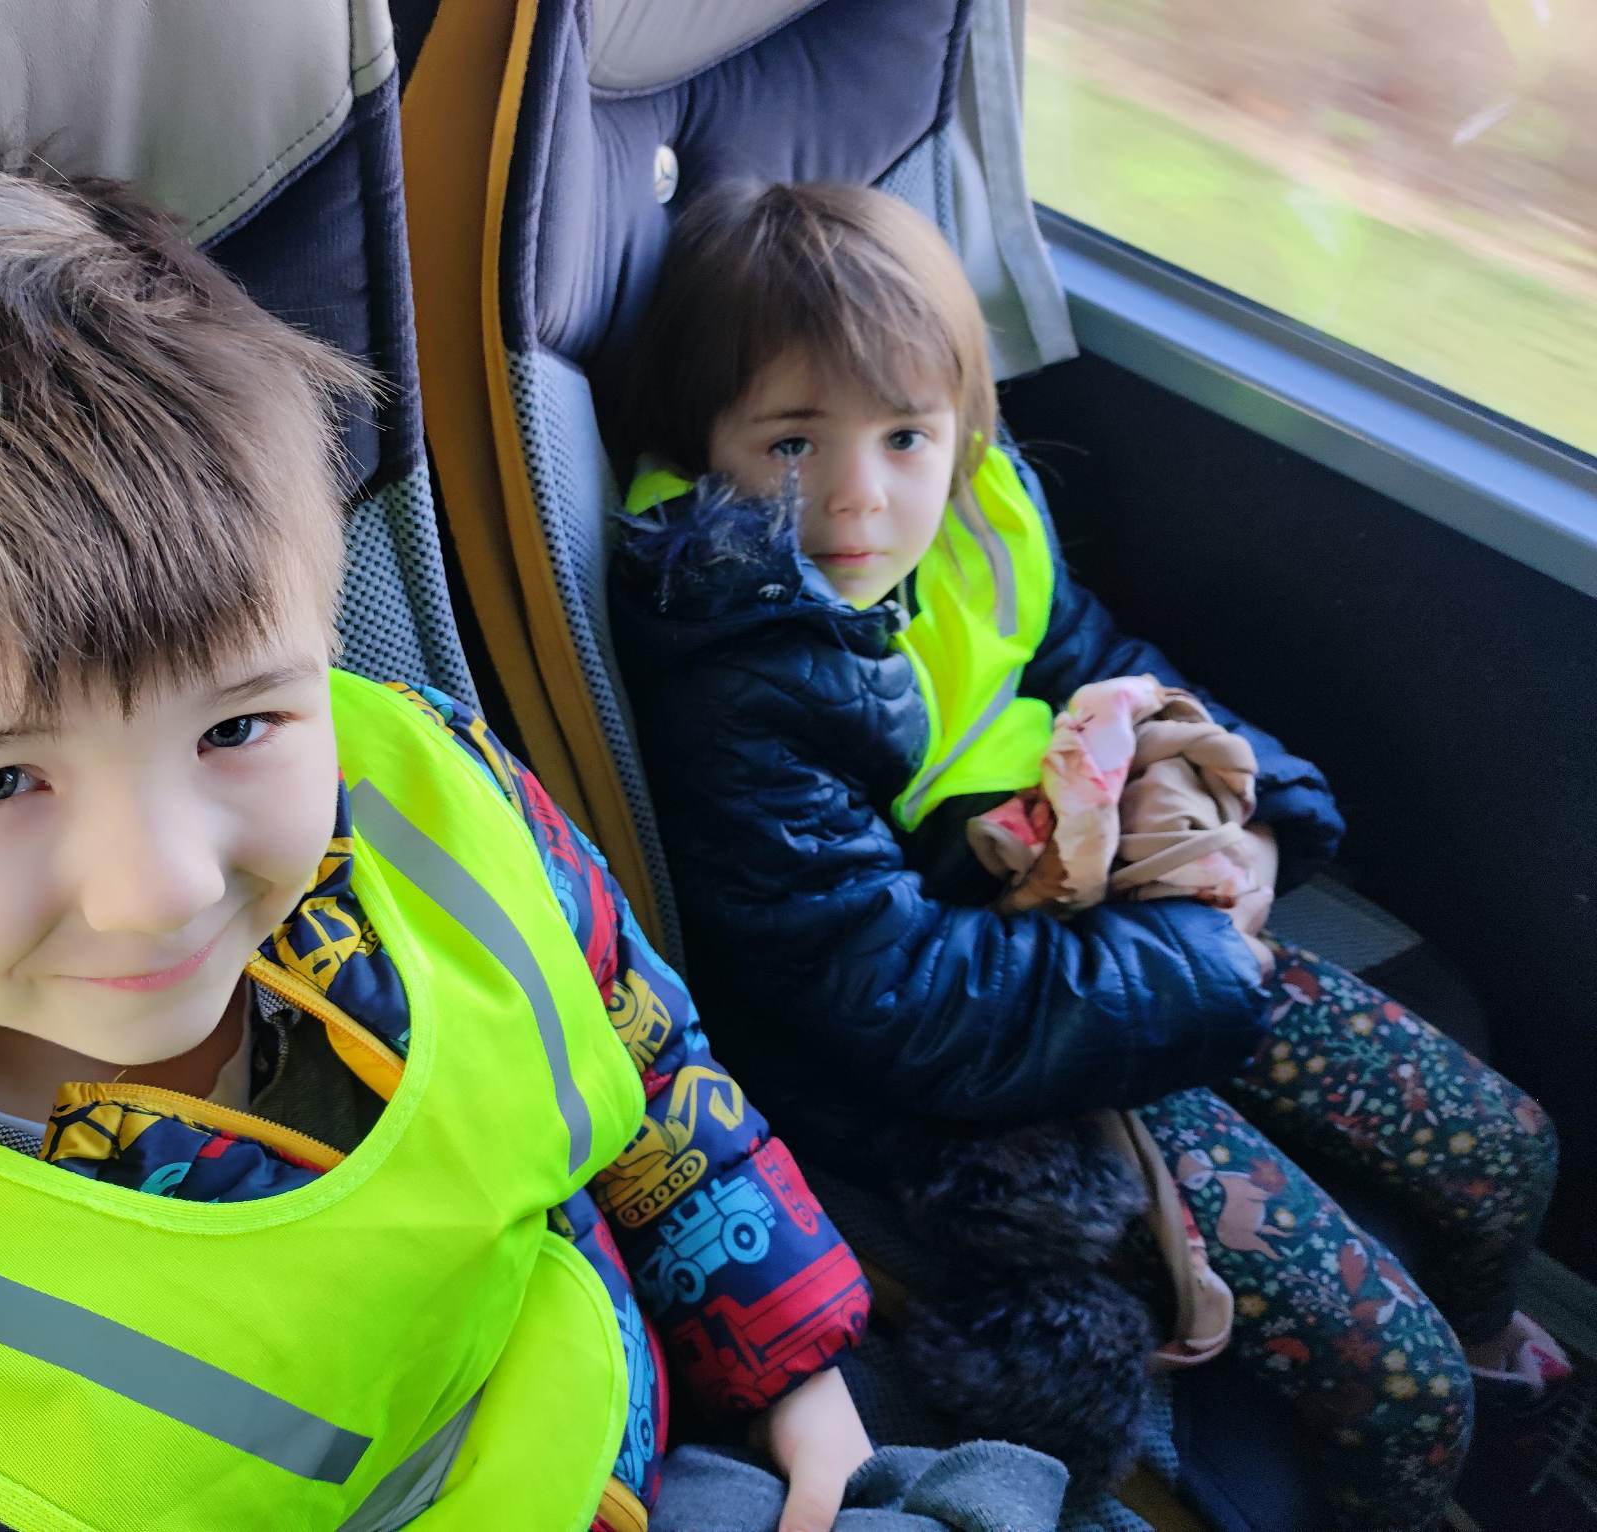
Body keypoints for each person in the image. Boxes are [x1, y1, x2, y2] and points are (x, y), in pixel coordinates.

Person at [0, 156, 881, 1532]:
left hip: (629, 1437)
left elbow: (640, 1061)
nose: (165, 887)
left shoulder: (431, 802)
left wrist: (789, 1362)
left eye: (239, 726)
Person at [607, 180, 1565, 1532]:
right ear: (705, 445)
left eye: (904, 436)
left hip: (1113, 926)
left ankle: (1504, 1431)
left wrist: (1259, 819)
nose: (860, 498)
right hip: (987, 1051)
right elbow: (892, 993)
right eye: (792, 444)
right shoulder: (738, 668)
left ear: (961, 426)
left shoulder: (970, 523)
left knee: (1507, 1151)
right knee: (1399, 1386)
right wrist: (1196, 959)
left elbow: (1092, 657)